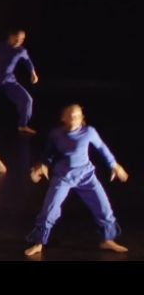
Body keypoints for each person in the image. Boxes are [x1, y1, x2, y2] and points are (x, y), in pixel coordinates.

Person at [26, 105, 129, 256]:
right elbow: (48, 153)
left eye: (77, 116)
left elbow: (102, 148)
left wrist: (115, 166)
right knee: (49, 210)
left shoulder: (89, 132)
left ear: (82, 118)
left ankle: (107, 240)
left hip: (86, 176)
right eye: (71, 115)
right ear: (63, 118)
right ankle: (39, 243)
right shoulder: (56, 134)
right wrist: (40, 167)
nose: (74, 118)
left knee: (104, 208)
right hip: (63, 177)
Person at [0, 29, 39, 134]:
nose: (18, 41)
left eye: (21, 39)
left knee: (27, 100)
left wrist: (33, 73)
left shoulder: (21, 51)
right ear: (10, 36)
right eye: (16, 38)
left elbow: (27, 60)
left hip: (9, 82)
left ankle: (22, 125)